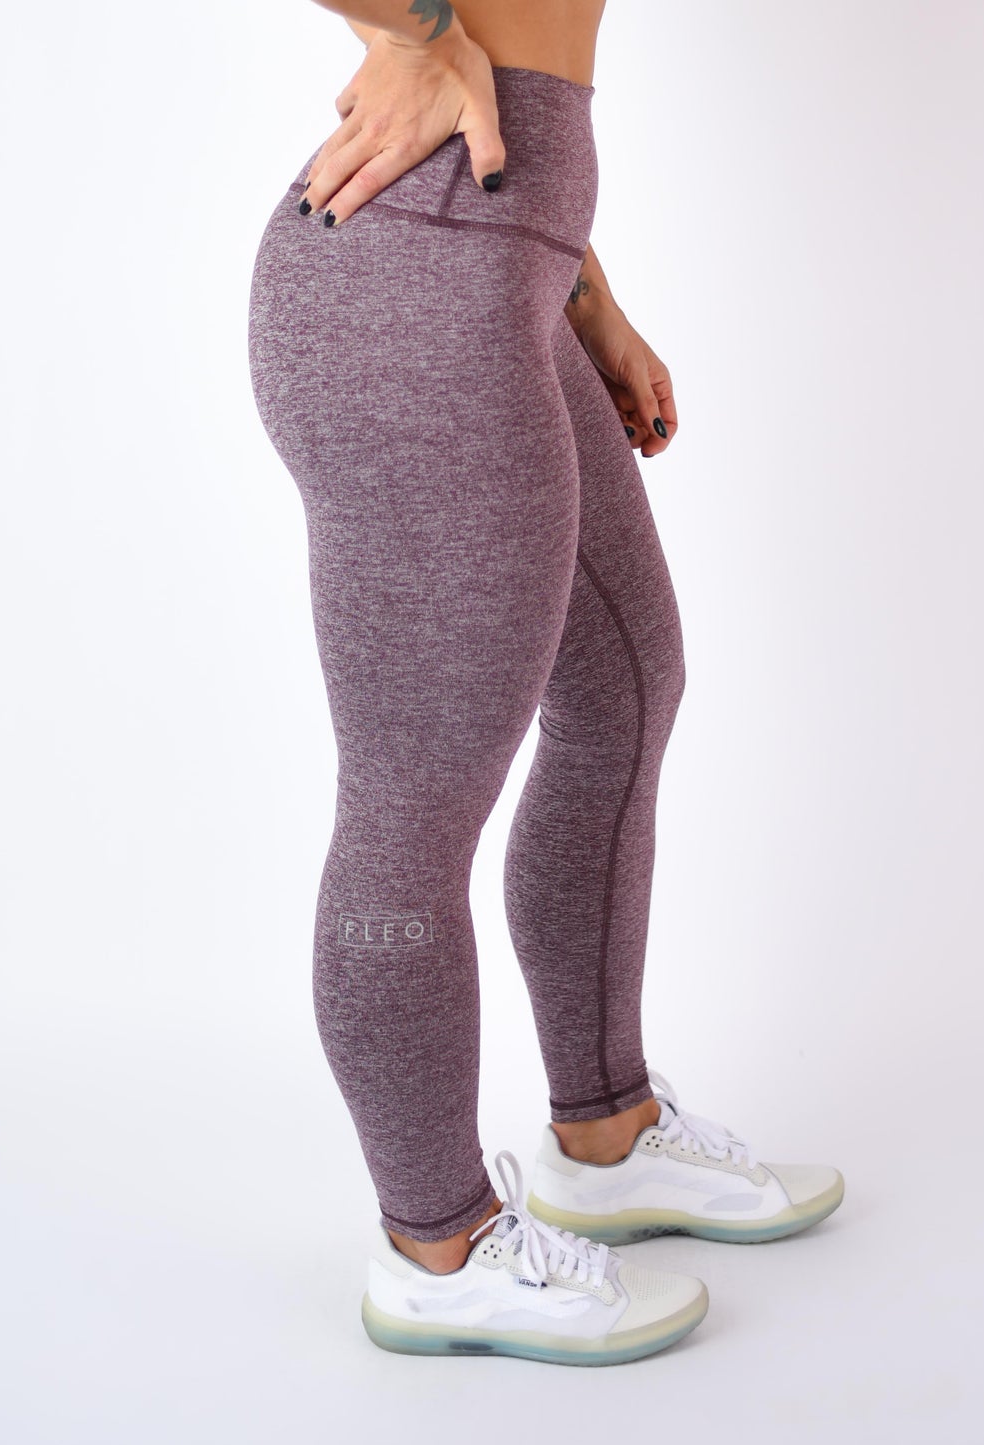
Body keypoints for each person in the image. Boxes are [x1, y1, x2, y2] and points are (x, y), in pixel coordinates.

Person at [247, 0, 844, 1365]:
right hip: (408, 300)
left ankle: (607, 1133)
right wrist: (415, 34)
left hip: (497, 267)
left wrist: (584, 291)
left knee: (624, 689)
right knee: (414, 799)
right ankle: (438, 1245)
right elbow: (469, 42)